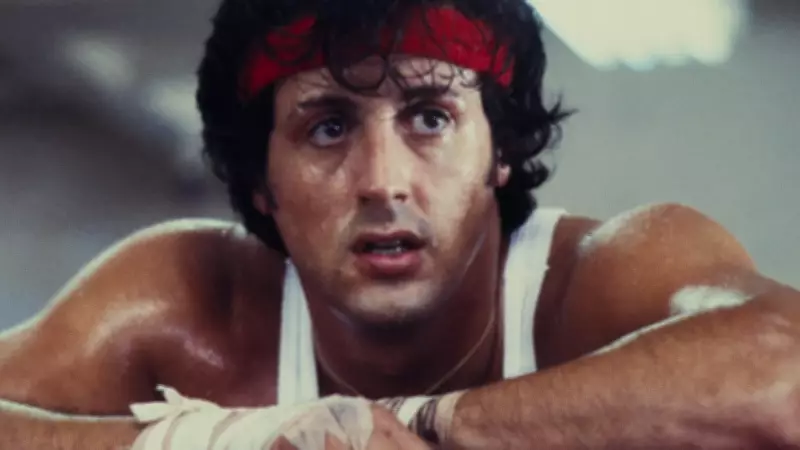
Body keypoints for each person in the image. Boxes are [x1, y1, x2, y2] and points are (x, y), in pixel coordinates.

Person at [1, 0, 799, 448]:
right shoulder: (189, 303)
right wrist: (223, 441)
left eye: (430, 117)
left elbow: (786, 375)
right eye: (327, 128)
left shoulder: (596, 281)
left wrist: (426, 424)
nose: (383, 182)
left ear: (499, 151)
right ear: (262, 183)